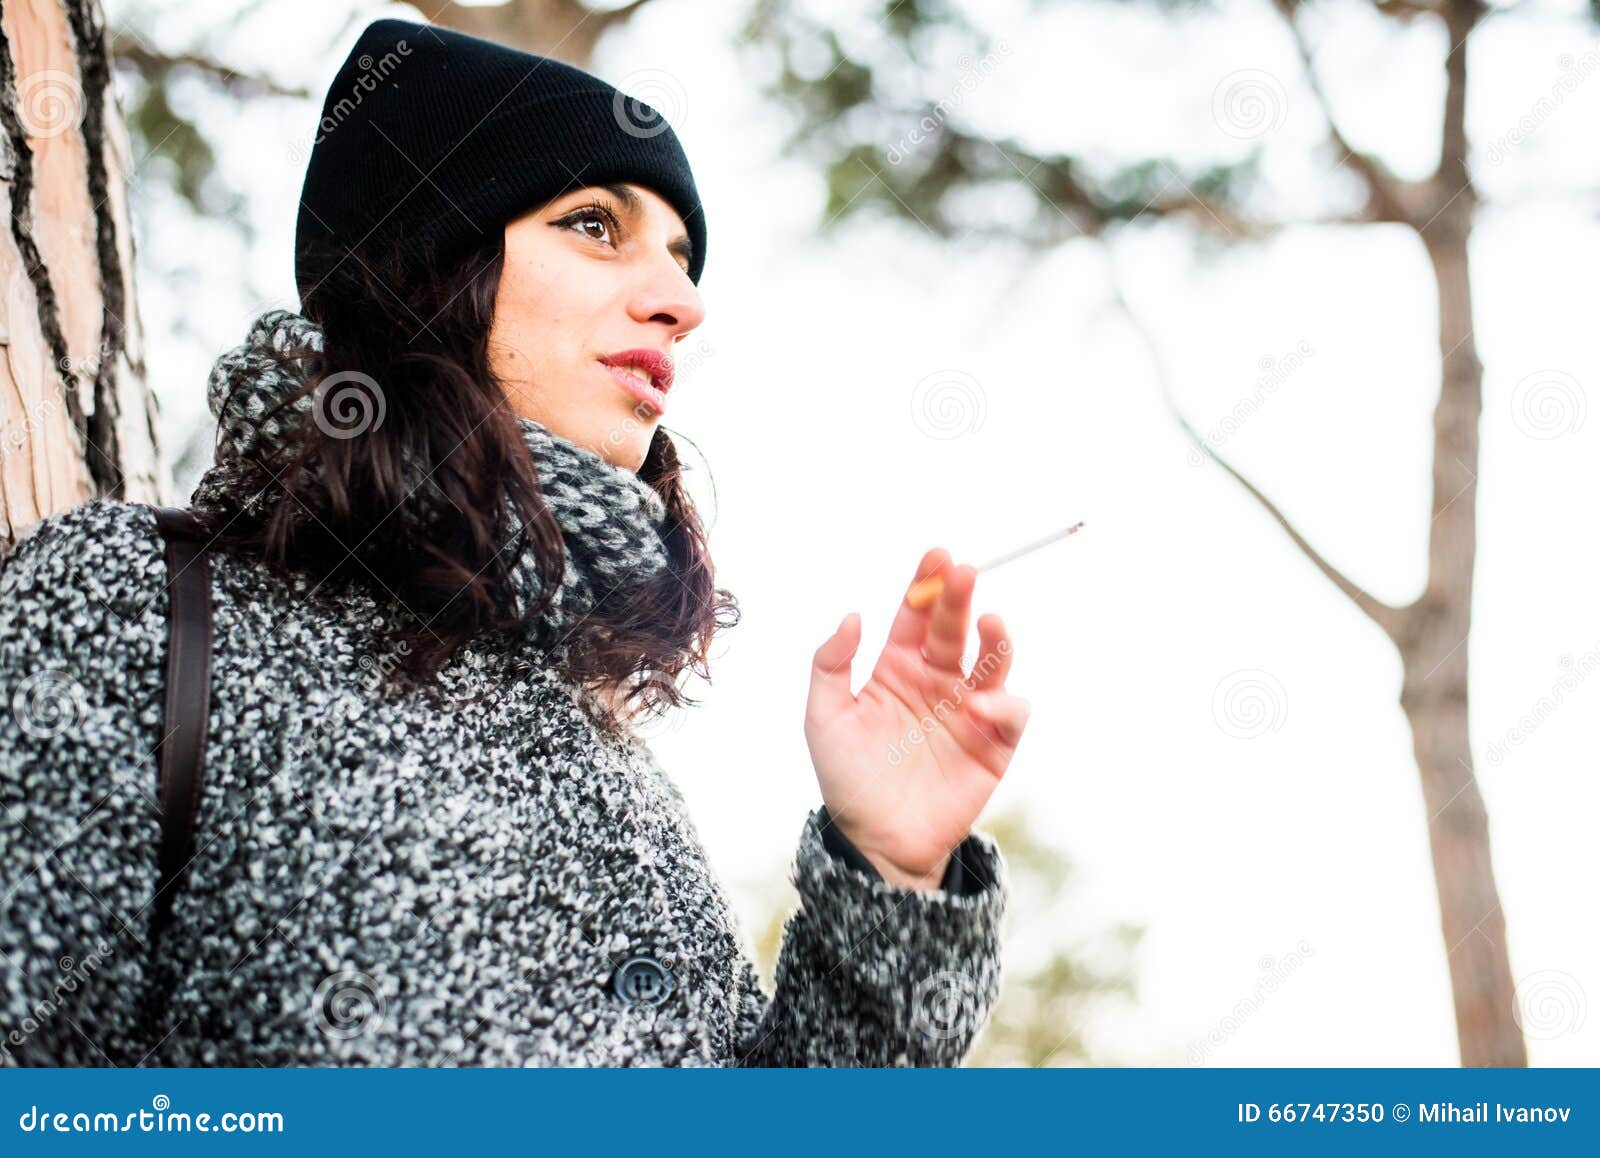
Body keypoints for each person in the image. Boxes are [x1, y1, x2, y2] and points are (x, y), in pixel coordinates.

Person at [0, 17, 1029, 1067]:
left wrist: (891, 870)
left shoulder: (621, 775)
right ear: (428, 260)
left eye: (681, 258)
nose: (683, 301)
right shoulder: (139, 606)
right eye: (593, 224)